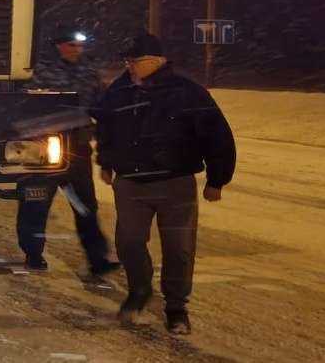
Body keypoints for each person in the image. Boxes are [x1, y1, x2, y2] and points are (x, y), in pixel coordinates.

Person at [92, 33, 236, 335]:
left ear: (157, 61)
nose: (130, 66)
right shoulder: (119, 91)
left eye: (136, 61)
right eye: (127, 61)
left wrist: (217, 179)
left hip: (175, 183)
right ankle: (139, 290)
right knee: (129, 242)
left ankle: (176, 307)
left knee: (178, 248)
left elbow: (217, 135)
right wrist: (106, 161)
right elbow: (106, 128)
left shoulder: (186, 92)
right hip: (131, 183)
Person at [17, 27, 121, 277]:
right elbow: (23, 105)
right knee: (35, 204)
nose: (77, 50)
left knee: (85, 206)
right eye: (71, 45)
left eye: (79, 46)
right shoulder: (39, 71)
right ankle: (33, 254)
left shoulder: (88, 73)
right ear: (59, 46)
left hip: (76, 149)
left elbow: (101, 108)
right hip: (42, 150)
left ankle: (97, 258)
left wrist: (105, 142)